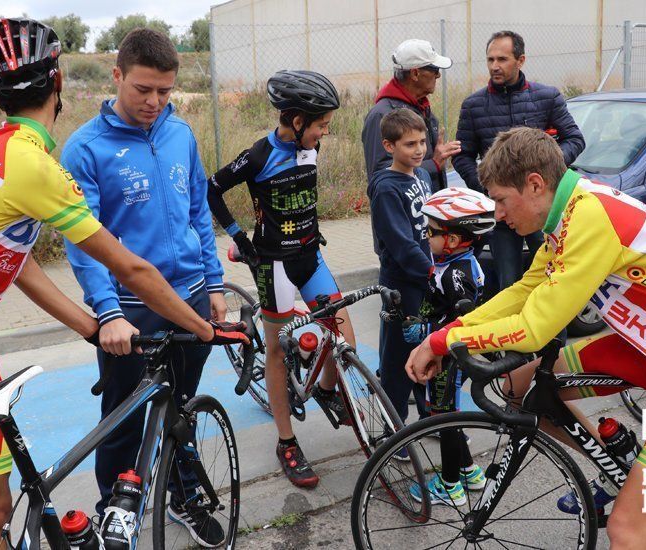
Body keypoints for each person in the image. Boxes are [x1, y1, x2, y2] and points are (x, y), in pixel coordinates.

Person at [0, 18, 247, 550]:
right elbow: (132, 270)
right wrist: (206, 329)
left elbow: (17, 261)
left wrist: (88, 327)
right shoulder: (35, 164)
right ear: (59, 84)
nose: (153, 100)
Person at [406, 126, 646, 548]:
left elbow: (537, 326)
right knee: (521, 385)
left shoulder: (590, 217)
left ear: (535, 184)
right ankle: (623, 473)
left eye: (501, 200)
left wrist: (441, 344)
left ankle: (640, 496)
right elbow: (524, 292)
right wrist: (450, 332)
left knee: (627, 531)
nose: (497, 215)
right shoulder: (568, 211)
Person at [59, 28, 228, 545]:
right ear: (117, 77)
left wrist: (215, 282)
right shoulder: (85, 149)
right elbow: (85, 242)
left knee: (181, 407)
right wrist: (107, 312)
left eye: (165, 91)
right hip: (131, 312)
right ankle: (115, 513)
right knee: (122, 422)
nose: (155, 102)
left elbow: (199, 209)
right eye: (143, 90)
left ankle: (183, 495)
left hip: (192, 296)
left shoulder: (180, 133)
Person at [207, 70, 356, 489]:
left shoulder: (313, 146)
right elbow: (211, 188)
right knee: (276, 352)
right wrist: (238, 236)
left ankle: (326, 391)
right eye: (321, 124)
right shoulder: (257, 155)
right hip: (273, 265)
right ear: (295, 120)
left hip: (310, 257)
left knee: (344, 338)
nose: (325, 131)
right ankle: (286, 441)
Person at [452, 30, 584, 291]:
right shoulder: (473, 105)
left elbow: (575, 140)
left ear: (520, 60)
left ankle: (555, 333)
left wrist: (548, 172)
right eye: (490, 60)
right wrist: (488, 191)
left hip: (541, 209)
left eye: (502, 59)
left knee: (554, 280)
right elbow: (462, 156)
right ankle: (515, 331)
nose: (494, 66)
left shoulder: (547, 97)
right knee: (509, 284)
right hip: (501, 214)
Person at [402, 187, 493, 506]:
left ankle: (451, 486)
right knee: (446, 412)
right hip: (442, 352)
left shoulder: (457, 274)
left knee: (445, 419)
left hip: (447, 359)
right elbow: (435, 302)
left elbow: (462, 321)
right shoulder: (449, 263)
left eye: (430, 231)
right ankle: (469, 471)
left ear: (453, 239)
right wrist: (417, 322)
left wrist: (433, 341)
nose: (425, 236)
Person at [368, 108, 435, 431]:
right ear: (389, 146)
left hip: (425, 280)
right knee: (397, 362)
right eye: (410, 144)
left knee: (428, 350)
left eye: (422, 141)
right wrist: (432, 274)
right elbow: (402, 244)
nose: (419, 149)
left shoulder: (422, 176)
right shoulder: (385, 188)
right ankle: (393, 432)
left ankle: (431, 420)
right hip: (402, 287)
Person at [362, 39, 459, 190]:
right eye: (434, 69)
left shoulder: (422, 108)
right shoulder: (381, 115)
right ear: (415, 73)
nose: (438, 75)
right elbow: (381, 175)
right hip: (403, 212)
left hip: (427, 208)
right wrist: (433, 164)